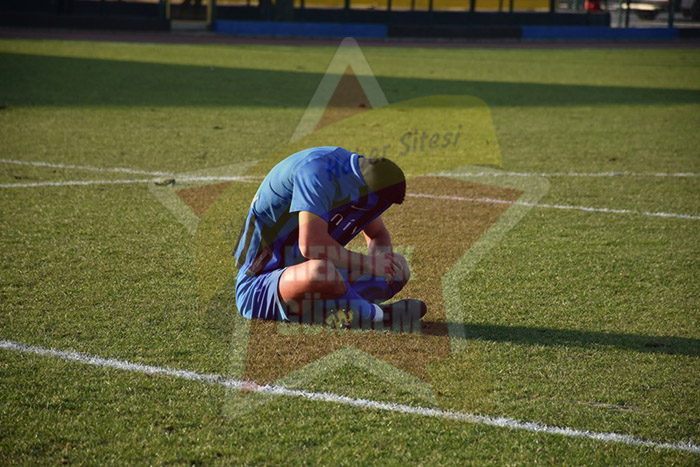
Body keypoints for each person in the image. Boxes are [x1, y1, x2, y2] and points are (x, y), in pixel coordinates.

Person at [233, 146, 427, 329]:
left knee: (399, 267)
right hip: (258, 285)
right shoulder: (317, 173)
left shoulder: (357, 178)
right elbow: (311, 245)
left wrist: (382, 266)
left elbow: (377, 234)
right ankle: (375, 315)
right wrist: (368, 264)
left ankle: (339, 309)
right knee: (322, 271)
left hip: (311, 277)